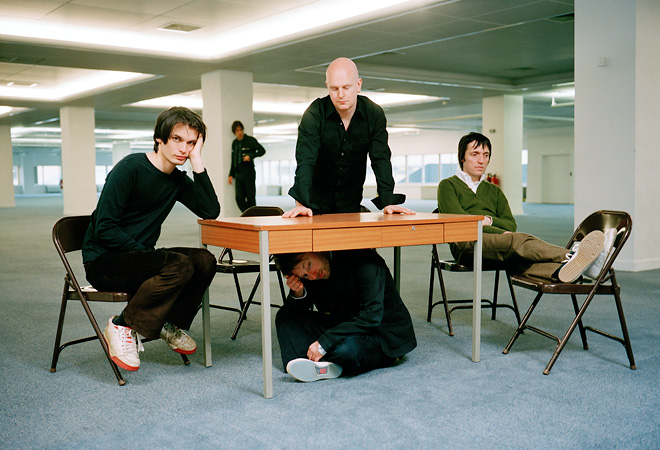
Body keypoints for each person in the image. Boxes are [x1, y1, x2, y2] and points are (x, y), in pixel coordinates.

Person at [82, 106, 221, 372]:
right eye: (177, 139)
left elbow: (210, 210)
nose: (183, 149)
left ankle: (167, 323)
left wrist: (197, 161)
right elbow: (105, 228)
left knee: (204, 260)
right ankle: (121, 325)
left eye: (191, 143)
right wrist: (147, 255)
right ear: (159, 138)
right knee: (178, 264)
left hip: (141, 259)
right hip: (104, 262)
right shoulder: (130, 168)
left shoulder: (177, 180)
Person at [437, 132, 614, 283]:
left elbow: (510, 224)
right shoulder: (448, 186)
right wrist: (501, 232)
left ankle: (564, 271)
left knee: (521, 256)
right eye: (474, 154)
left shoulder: (494, 190)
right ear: (462, 157)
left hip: (496, 247)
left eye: (486, 155)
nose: (481, 160)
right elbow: (462, 222)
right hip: (466, 245)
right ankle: (573, 255)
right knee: (516, 242)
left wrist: (488, 221)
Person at [284, 57, 414, 217]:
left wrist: (388, 200)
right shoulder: (314, 114)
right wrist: (301, 203)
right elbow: (305, 160)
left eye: (346, 87)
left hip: (351, 203)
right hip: (314, 204)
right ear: (327, 86)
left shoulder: (373, 114)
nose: (341, 95)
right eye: (334, 88)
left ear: (358, 85)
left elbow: (380, 159)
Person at [274, 249, 417, 382]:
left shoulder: (364, 260)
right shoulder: (311, 276)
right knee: (285, 318)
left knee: (347, 351)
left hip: (381, 332)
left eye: (309, 266)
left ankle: (322, 362)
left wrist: (325, 342)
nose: (312, 275)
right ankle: (313, 364)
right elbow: (297, 314)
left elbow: (371, 317)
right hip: (343, 324)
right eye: (304, 275)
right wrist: (298, 293)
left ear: (316, 249)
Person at [228, 120, 265, 212]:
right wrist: (231, 174)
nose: (240, 132)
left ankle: (252, 215)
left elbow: (262, 151)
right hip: (238, 174)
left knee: (250, 197)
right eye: (237, 131)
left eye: (241, 130)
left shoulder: (250, 140)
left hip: (248, 172)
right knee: (239, 198)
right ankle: (249, 214)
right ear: (234, 132)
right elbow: (233, 160)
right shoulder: (234, 143)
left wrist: (251, 156)